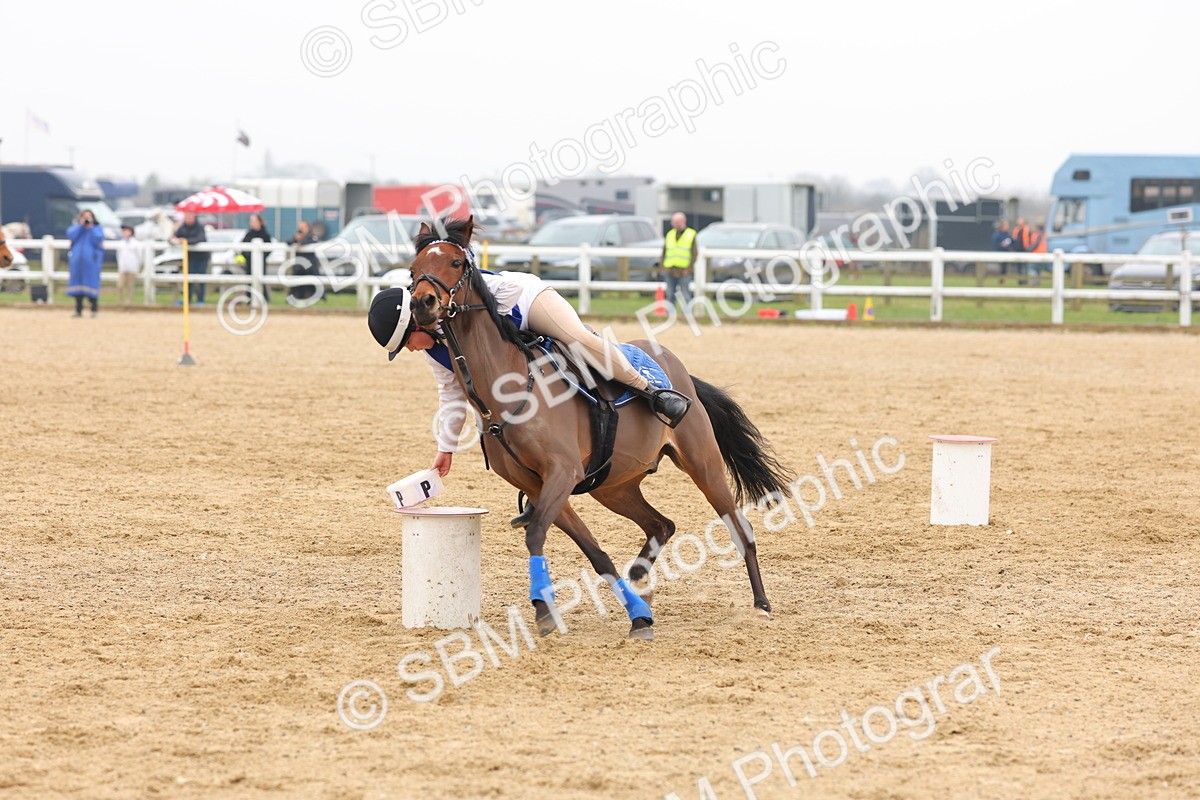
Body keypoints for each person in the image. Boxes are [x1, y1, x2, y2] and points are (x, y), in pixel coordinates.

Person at [368, 253, 690, 478]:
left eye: (406, 343)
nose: (410, 350)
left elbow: (505, 307)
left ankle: (652, 392)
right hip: (515, 333)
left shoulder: (460, 309)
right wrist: (446, 448)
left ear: (417, 325)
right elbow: (451, 394)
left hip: (527, 303)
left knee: (579, 340)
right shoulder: (435, 351)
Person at [66, 210, 105, 317]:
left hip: (91, 261)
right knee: (77, 287)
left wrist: (90, 227)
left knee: (92, 284)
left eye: (89, 217)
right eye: (84, 217)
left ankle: (94, 310)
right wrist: (81, 225)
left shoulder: (97, 229)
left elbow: (98, 239)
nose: (87, 219)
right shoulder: (77, 228)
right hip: (77, 262)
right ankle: (78, 310)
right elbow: (70, 234)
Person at [660, 212, 696, 308]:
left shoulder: (690, 234)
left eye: (676, 222)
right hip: (670, 269)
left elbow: (695, 254)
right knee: (670, 294)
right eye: (673, 222)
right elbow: (664, 252)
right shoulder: (670, 234)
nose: (674, 224)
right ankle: (670, 316)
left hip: (684, 270)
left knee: (686, 295)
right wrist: (663, 266)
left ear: (683, 221)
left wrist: (689, 269)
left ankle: (687, 317)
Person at [171, 211, 209, 304]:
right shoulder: (182, 227)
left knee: (200, 279)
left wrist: (186, 241)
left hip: (201, 257)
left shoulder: (200, 227)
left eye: (190, 218)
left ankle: (200, 300)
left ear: (194, 218)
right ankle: (187, 300)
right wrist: (173, 240)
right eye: (187, 218)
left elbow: (200, 239)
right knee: (188, 280)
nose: (188, 220)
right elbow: (174, 237)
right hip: (190, 257)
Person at [240, 213, 273, 302]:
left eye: (254, 221)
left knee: (261, 280)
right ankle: (250, 299)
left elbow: (269, 249)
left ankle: (263, 299)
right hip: (249, 262)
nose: (252, 223)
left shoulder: (265, 234)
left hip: (261, 262)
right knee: (250, 281)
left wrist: (262, 257)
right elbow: (242, 248)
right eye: (251, 221)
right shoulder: (248, 234)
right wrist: (248, 256)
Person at [289, 220, 320, 302]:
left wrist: (300, 243)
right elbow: (289, 242)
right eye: (300, 227)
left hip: (310, 266)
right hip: (299, 266)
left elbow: (311, 240)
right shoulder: (297, 237)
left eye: (303, 227)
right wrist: (295, 239)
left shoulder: (311, 237)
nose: (301, 229)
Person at [115, 224, 143, 306]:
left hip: (132, 267)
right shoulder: (121, 243)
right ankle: (120, 302)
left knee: (130, 286)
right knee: (120, 285)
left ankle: (130, 302)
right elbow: (118, 255)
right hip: (123, 267)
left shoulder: (136, 244)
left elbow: (139, 256)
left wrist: (138, 266)